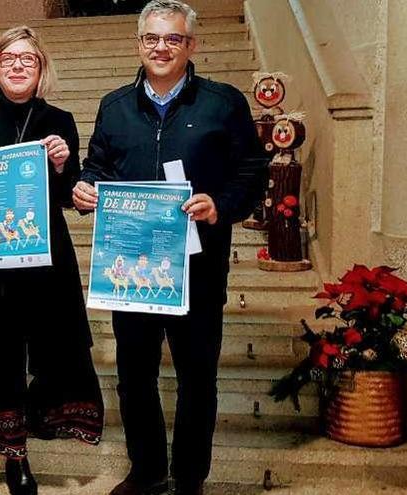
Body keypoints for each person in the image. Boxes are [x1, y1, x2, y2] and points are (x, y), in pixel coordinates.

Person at [71, 2, 267, 494]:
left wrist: (219, 205)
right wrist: (84, 189)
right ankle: (148, 471)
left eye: (173, 39)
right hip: (132, 267)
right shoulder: (114, 106)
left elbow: (251, 172)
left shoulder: (224, 103)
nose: (161, 47)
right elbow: (97, 167)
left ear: (190, 45)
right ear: (139, 43)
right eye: (152, 38)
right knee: (134, 377)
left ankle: (190, 477)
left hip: (197, 267)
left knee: (196, 378)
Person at [0, 26, 105, 495]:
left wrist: (62, 165)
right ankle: (16, 456)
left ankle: (38, 428)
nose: (16, 65)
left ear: (41, 70)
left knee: (49, 352)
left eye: (27, 60)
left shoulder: (60, 119)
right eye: (8, 58)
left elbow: (72, 194)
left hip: (44, 261)